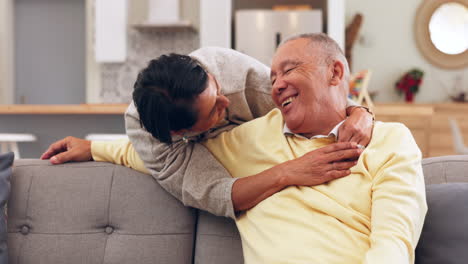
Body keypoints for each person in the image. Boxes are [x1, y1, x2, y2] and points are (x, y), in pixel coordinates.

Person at [42, 46, 374, 219]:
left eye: (216, 91)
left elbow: (313, 103)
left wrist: (360, 112)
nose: (225, 103)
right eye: (214, 110)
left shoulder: (226, 67)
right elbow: (218, 193)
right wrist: (289, 173)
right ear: (180, 133)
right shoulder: (154, 141)